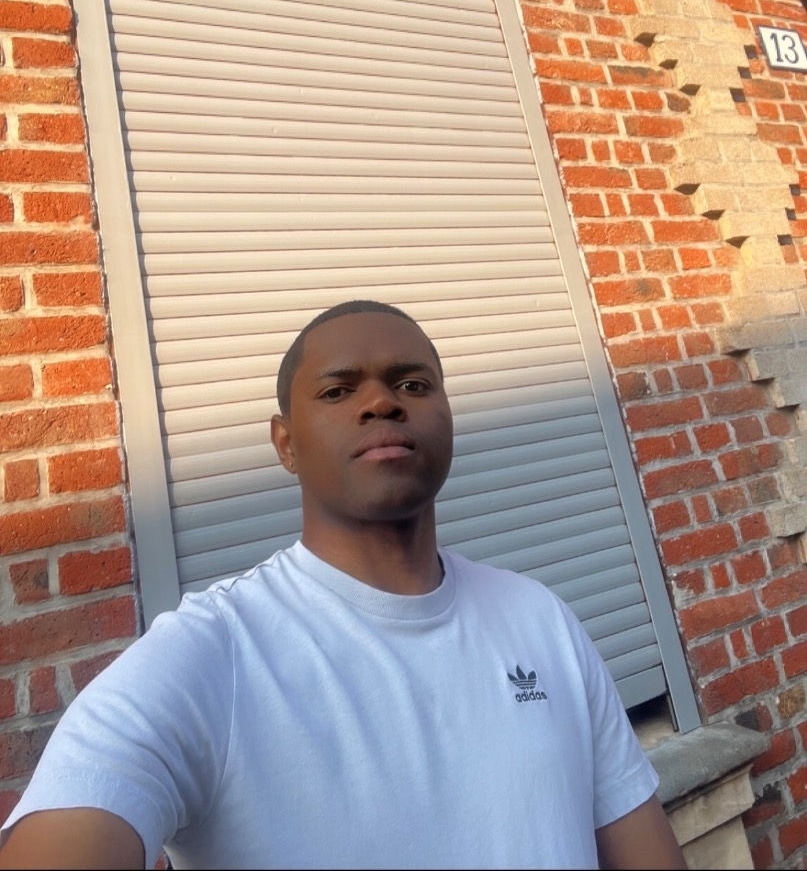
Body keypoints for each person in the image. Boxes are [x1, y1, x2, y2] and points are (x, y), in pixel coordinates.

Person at [0, 300, 686, 870]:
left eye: (413, 385)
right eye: (337, 391)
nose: (382, 402)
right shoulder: (212, 656)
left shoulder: (540, 620)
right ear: (285, 444)